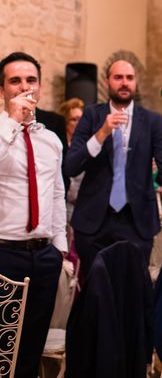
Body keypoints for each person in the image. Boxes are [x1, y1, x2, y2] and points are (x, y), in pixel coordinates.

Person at [64, 59, 162, 279]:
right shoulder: (92, 116)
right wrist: (101, 133)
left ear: (136, 83)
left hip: (136, 221)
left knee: (132, 291)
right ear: (107, 83)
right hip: (94, 221)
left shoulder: (152, 121)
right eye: (118, 77)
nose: (124, 83)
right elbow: (71, 166)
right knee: (95, 292)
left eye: (129, 78)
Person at [0, 52, 67, 378]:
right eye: (15, 80)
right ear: (2, 91)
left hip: (43, 256)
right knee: (2, 347)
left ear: (39, 87)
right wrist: (11, 122)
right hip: (4, 252)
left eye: (30, 80)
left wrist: (60, 249)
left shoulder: (50, 139)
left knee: (30, 347)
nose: (24, 87)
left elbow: (57, 194)